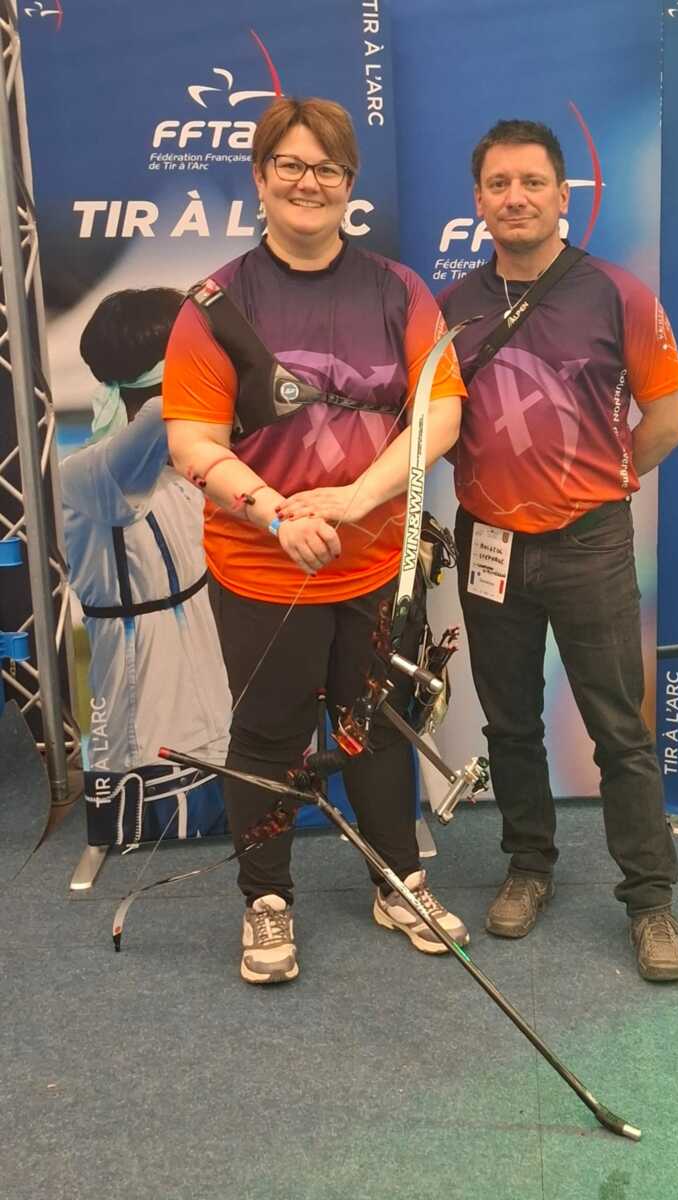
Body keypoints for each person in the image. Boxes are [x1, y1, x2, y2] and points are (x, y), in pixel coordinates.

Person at [163, 97, 468, 984]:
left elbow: (440, 412)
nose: (309, 183)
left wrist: (355, 500)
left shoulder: (397, 289)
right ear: (260, 178)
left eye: (326, 168)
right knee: (267, 736)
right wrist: (280, 515)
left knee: (378, 725)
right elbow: (192, 443)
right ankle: (266, 900)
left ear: (349, 183)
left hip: (375, 566)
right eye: (289, 165)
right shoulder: (215, 304)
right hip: (264, 570)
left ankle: (397, 880)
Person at [439, 119, 678, 982]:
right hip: (489, 543)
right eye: (498, 184)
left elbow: (668, 420)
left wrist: (596, 485)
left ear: (561, 195)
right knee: (508, 721)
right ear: (478, 201)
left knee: (618, 728)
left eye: (532, 182)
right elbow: (434, 426)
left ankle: (650, 901)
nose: (515, 197)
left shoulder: (617, 293)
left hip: (589, 542)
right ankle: (528, 866)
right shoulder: (450, 308)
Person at [62, 288, 230, 846]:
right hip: (147, 724)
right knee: (159, 866)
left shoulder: (182, 460)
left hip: (212, 706)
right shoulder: (88, 473)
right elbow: (161, 416)